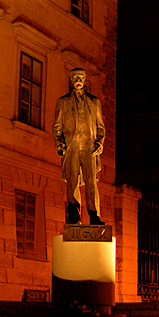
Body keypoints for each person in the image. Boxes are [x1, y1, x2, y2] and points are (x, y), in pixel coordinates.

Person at [53, 67, 105, 225]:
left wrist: (100, 143)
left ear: (84, 79)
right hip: (72, 146)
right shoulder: (63, 102)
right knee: (72, 182)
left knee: (91, 182)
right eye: (75, 77)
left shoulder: (94, 102)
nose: (78, 80)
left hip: (89, 147)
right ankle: (75, 216)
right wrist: (59, 144)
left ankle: (94, 215)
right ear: (70, 79)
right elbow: (57, 126)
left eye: (81, 77)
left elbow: (100, 126)